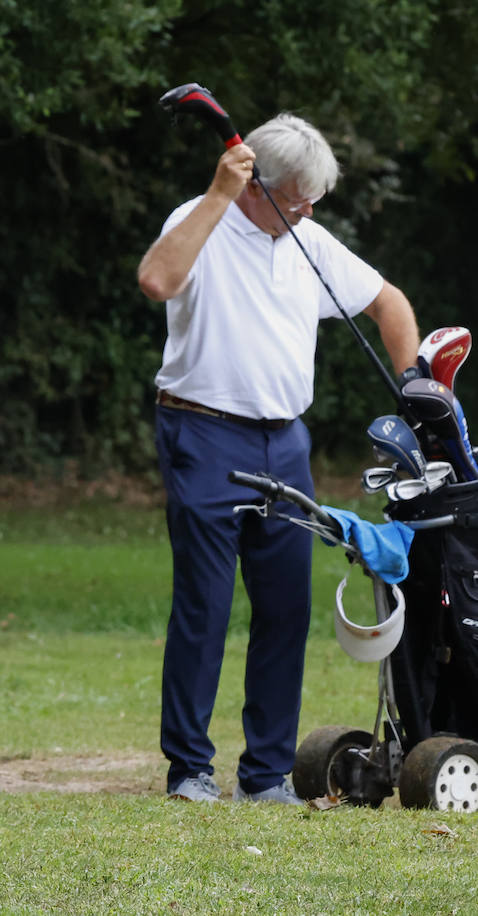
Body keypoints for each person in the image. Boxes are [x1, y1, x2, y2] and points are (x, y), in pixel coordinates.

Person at [136, 113, 419, 805]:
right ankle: (189, 771)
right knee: (203, 606)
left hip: (285, 441)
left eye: (312, 200)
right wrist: (216, 195)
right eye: (296, 198)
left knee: (286, 607)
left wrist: (418, 397)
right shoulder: (201, 220)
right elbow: (156, 280)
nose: (307, 210)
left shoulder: (309, 241)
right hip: (201, 432)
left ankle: (265, 775)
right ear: (256, 185)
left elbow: (390, 305)